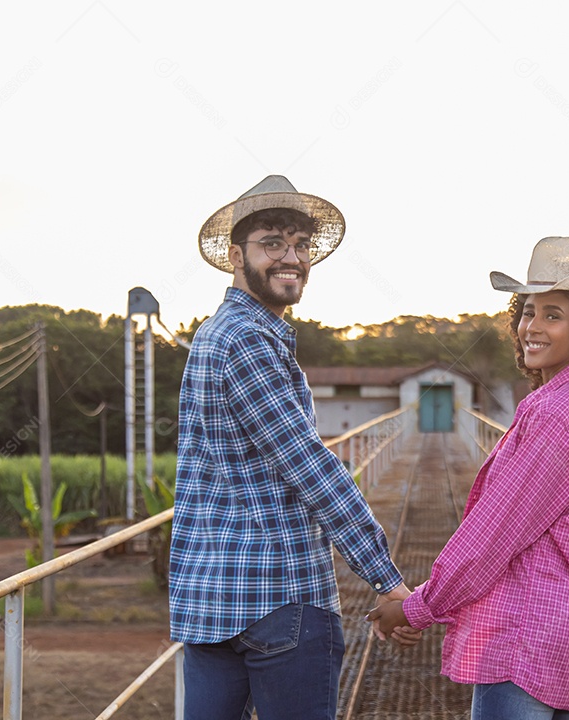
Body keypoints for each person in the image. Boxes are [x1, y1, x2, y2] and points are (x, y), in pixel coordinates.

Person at [368, 236, 569, 719]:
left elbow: (493, 535)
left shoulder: (554, 413)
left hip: (532, 636)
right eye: (528, 311)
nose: (532, 327)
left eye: (553, 315)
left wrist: (417, 608)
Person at [170, 175, 410, 720]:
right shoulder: (248, 340)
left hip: (211, 600)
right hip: (278, 595)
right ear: (237, 256)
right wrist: (386, 578)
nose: (293, 258)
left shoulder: (214, 333)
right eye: (273, 243)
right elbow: (309, 467)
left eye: (301, 246)